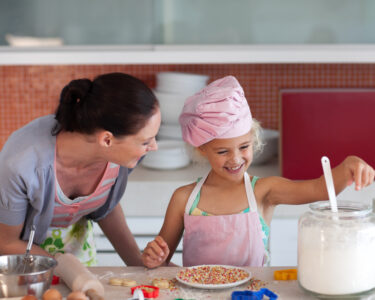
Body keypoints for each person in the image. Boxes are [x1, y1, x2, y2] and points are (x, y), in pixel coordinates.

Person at [141, 75, 375, 268]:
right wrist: (154, 257)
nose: (235, 159)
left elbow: (319, 189)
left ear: (253, 139)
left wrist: (349, 166)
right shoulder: (184, 199)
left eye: (244, 147)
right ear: (202, 149)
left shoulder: (264, 191)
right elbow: (161, 259)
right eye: (222, 151)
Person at [0, 72, 161, 266]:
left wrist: (138, 264)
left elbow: (106, 207)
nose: (154, 147)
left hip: (79, 254)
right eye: (145, 141)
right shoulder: (21, 166)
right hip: (24, 264)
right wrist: (68, 270)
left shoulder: (120, 156)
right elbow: (7, 243)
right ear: (107, 140)